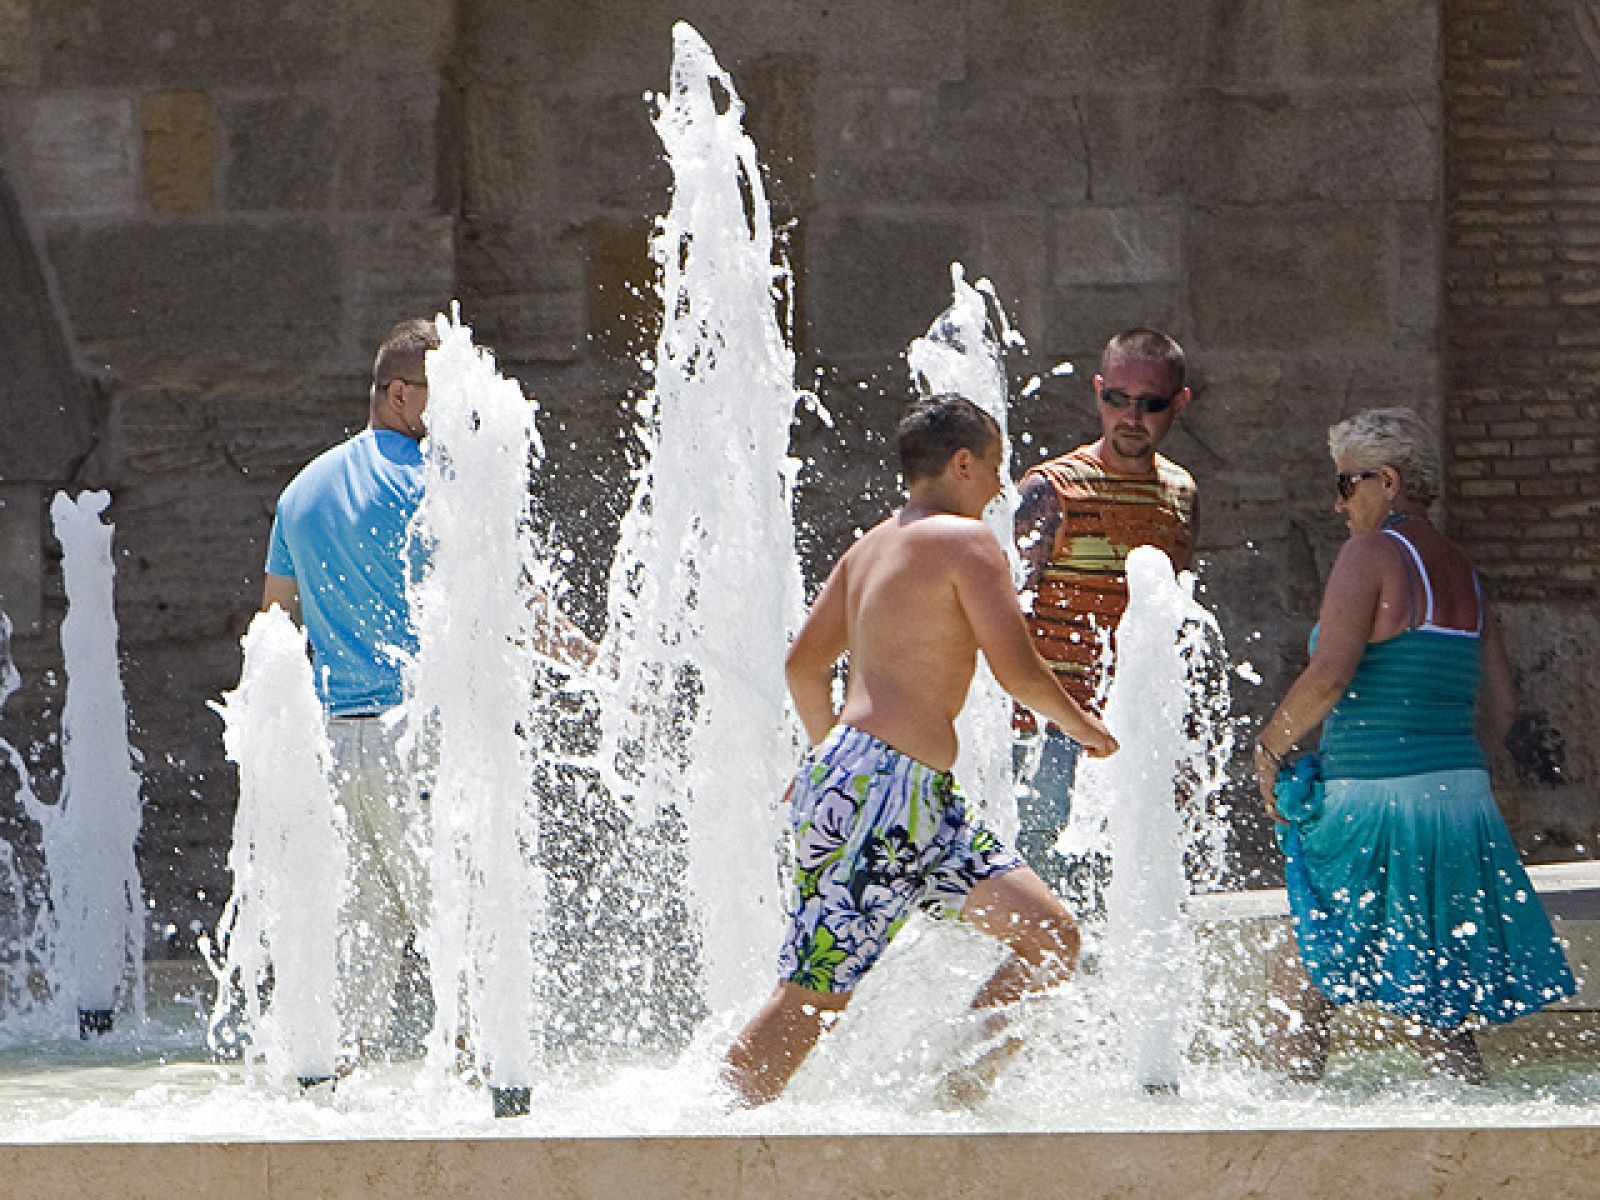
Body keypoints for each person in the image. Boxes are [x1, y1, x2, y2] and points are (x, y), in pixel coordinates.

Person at [721, 393, 1118, 1108]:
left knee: (1050, 937)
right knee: (812, 996)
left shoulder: (868, 546)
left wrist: (832, 760)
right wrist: (1084, 726)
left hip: (919, 799)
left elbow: (804, 667)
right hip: (880, 789)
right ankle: (702, 1133)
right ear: (963, 464)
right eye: (994, 467)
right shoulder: (966, 541)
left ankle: (953, 1101)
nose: (1000, 486)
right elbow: (1019, 672)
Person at [1253, 406, 1575, 1083]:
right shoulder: (1463, 572)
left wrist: (1269, 749)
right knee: (1437, 995)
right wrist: (1441, 765)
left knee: (1302, 969)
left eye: (1347, 484)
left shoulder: (1371, 553)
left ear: (1389, 482)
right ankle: (1471, 1123)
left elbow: (1329, 674)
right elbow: (1501, 705)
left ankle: (1281, 1119)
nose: (1339, 504)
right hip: (1459, 802)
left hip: (1374, 800)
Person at [262, 317, 439, 1064]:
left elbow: (272, 630)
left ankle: (330, 1089)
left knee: (364, 936)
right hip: (415, 737)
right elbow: (515, 606)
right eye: (444, 396)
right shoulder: (431, 484)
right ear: (401, 394)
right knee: (464, 925)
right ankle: (495, 1094)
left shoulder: (300, 492)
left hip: (336, 744)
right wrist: (601, 665)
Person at [1012, 328, 1197, 903]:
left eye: (1150, 404)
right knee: (1041, 915)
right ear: (1098, 392)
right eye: (1117, 399)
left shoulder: (1181, 493)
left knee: (1116, 911)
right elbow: (1001, 613)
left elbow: (1172, 627)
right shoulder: (1050, 489)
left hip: (1130, 741)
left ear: (1179, 403)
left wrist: (1182, 742)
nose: (1131, 417)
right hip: (1044, 740)